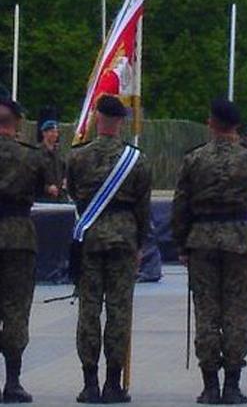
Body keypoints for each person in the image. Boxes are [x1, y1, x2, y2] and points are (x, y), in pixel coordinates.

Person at [171, 98, 247, 405]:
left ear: (211, 122)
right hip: (238, 238)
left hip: (203, 240)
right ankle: (233, 384)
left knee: (207, 312)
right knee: (237, 312)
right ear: (236, 125)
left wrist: (181, 244)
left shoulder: (194, 159)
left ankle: (210, 384)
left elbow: (181, 204)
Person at [67, 95, 151, 404]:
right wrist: (140, 242)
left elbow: (74, 194)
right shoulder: (136, 159)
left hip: (89, 239)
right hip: (124, 239)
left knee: (89, 310)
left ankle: (89, 383)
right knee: (119, 310)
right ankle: (113, 384)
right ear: (121, 122)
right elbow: (143, 206)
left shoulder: (77, 157)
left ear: (97, 118)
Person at [0, 97, 45, 403]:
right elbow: (48, 186)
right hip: (18, 236)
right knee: (16, 310)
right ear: (15, 122)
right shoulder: (31, 157)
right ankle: (12, 381)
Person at [38, 120, 67, 201]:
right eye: (52, 132)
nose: (55, 135)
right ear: (44, 133)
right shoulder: (37, 152)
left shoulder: (59, 152)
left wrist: (65, 180)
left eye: (56, 132)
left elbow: (64, 169)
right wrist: (47, 188)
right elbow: (32, 178)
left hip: (60, 196)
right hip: (43, 198)